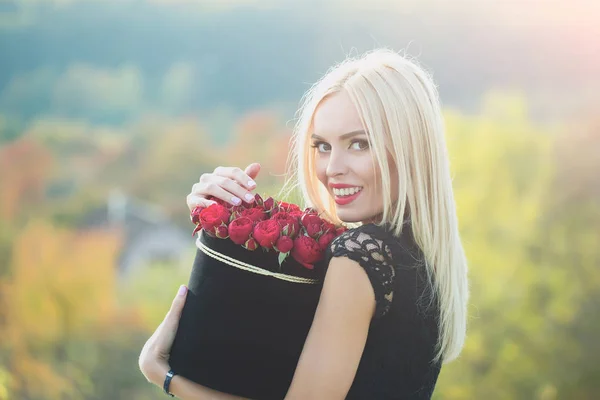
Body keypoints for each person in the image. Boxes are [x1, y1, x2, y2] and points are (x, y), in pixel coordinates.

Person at [139, 48, 469, 399]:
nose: (332, 168)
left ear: (409, 148)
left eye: (359, 144)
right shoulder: (426, 258)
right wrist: (221, 215)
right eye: (323, 146)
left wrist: (162, 373)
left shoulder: (361, 256)